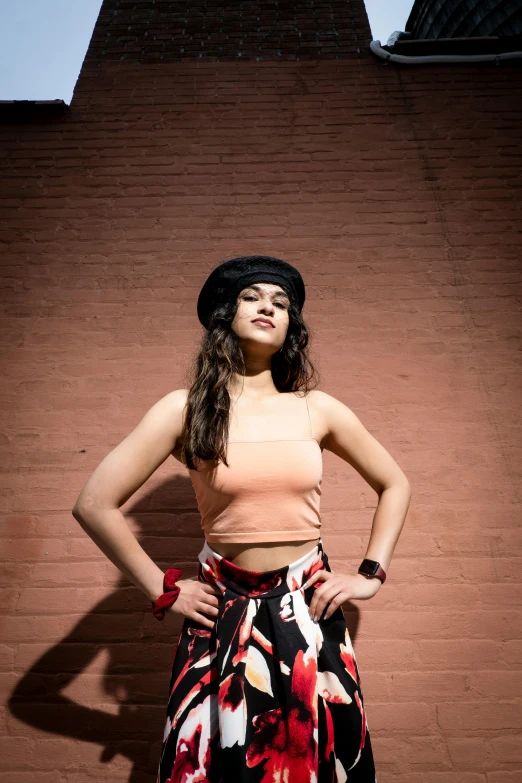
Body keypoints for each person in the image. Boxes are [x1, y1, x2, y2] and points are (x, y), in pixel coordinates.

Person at [72, 255, 412, 782]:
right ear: (226, 313)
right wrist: (164, 590)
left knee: (317, 764)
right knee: (221, 767)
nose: (268, 308)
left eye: (280, 304)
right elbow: (93, 503)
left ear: (290, 327)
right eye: (254, 297)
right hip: (221, 615)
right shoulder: (182, 409)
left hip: (307, 613)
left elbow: (395, 483)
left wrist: (369, 576)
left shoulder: (316, 408)